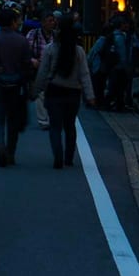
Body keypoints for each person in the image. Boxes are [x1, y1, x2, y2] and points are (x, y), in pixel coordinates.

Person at [32, 14, 96, 168]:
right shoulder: (79, 51)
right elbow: (84, 75)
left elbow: (42, 73)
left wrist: (35, 91)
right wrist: (90, 95)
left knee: (55, 126)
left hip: (54, 91)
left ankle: (58, 156)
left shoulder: (50, 49)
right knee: (70, 125)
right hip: (73, 93)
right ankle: (69, 157)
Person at [0, 7, 34, 167]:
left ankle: (0, 149)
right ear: (12, 22)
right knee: (13, 120)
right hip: (16, 86)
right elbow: (27, 64)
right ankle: (11, 152)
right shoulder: (21, 40)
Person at [25, 12, 58, 129]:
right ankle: (43, 120)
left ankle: (50, 116)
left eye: (53, 21)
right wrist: (32, 60)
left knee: (52, 94)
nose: (52, 23)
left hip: (53, 69)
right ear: (43, 23)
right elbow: (25, 51)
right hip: (38, 69)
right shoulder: (33, 34)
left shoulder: (56, 36)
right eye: (49, 21)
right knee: (40, 93)